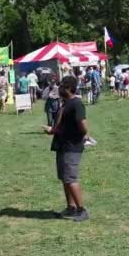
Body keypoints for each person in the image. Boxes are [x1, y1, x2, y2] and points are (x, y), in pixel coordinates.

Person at [43, 76, 89, 222]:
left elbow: (83, 127)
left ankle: (82, 210)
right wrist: (53, 130)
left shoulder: (76, 104)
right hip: (62, 145)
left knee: (70, 178)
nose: (60, 88)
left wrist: (75, 135)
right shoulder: (65, 104)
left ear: (69, 88)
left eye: (62, 86)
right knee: (64, 178)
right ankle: (71, 207)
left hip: (72, 147)